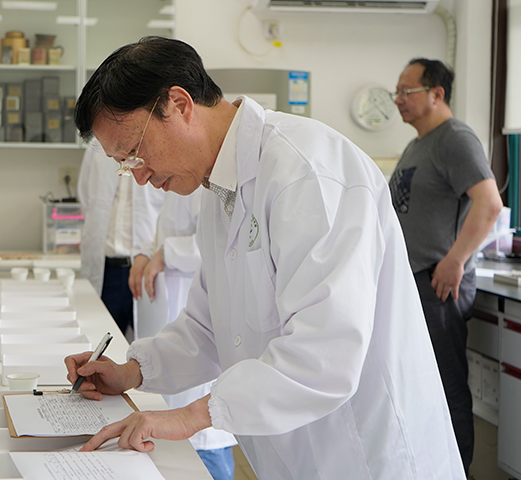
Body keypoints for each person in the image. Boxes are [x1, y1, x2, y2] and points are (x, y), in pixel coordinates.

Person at [65, 36, 465, 479]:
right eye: (124, 164)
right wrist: (132, 371)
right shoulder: (219, 189)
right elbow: (210, 328)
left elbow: (324, 353)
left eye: (135, 153)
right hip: (299, 457)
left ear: (178, 104)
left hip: (367, 456)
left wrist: (192, 416)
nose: (139, 177)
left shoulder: (305, 171)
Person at [389, 58, 502, 473]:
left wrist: (455, 261)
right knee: (421, 387)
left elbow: (489, 204)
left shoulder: (455, 138)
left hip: (438, 282)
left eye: (407, 91)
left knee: (446, 385)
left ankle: (456, 471)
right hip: (414, 281)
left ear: (437, 94)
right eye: (396, 92)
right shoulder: (419, 144)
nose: (398, 99)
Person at [131, 188, 238, 480]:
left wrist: (168, 253)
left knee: (207, 449)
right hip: (182, 326)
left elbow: (219, 241)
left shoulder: (207, 187)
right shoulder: (175, 188)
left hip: (203, 370)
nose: (141, 177)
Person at [78, 140, 164, 337]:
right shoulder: (97, 145)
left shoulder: (156, 142)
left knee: (149, 342)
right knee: (100, 341)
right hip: (106, 270)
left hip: (146, 269)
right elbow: (85, 198)